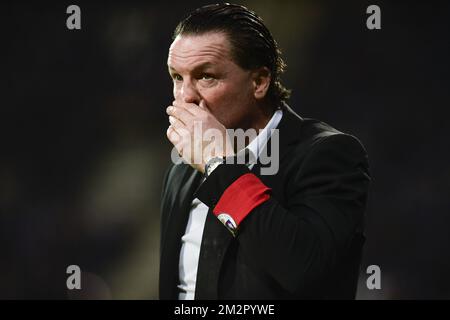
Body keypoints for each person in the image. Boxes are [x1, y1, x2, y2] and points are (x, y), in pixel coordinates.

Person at [159, 3, 370, 300]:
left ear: (259, 82)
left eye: (206, 76)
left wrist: (220, 167)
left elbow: (303, 270)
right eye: (177, 77)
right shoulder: (181, 170)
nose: (186, 97)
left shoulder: (328, 155)